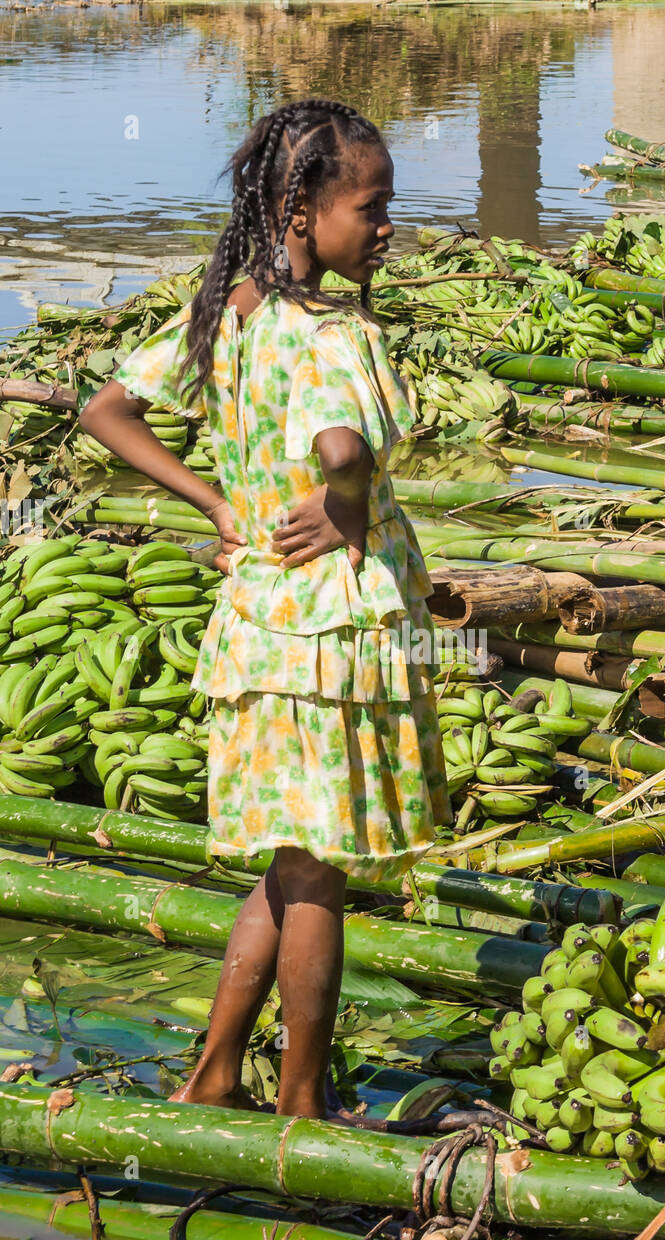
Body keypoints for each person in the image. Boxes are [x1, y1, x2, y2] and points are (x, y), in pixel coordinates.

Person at [80, 98, 450, 1119]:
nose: (385, 227)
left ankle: (211, 1074)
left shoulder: (229, 311)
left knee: (286, 872)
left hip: (255, 623)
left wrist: (214, 500)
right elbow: (343, 444)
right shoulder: (332, 333)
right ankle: (301, 1103)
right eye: (369, 208)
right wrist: (345, 501)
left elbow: (105, 407)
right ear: (301, 213)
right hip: (330, 637)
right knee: (320, 880)